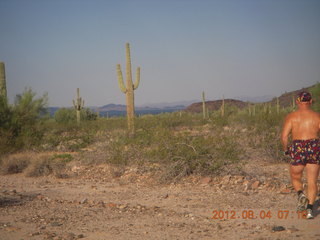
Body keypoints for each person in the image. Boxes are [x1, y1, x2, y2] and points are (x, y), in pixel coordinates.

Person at [281, 91, 320, 219]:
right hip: (314, 146)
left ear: (297, 102)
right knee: (312, 181)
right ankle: (310, 210)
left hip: (298, 147)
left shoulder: (292, 116)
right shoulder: (317, 116)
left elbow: (284, 137)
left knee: (295, 176)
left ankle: (300, 194)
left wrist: (285, 150)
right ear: (310, 101)